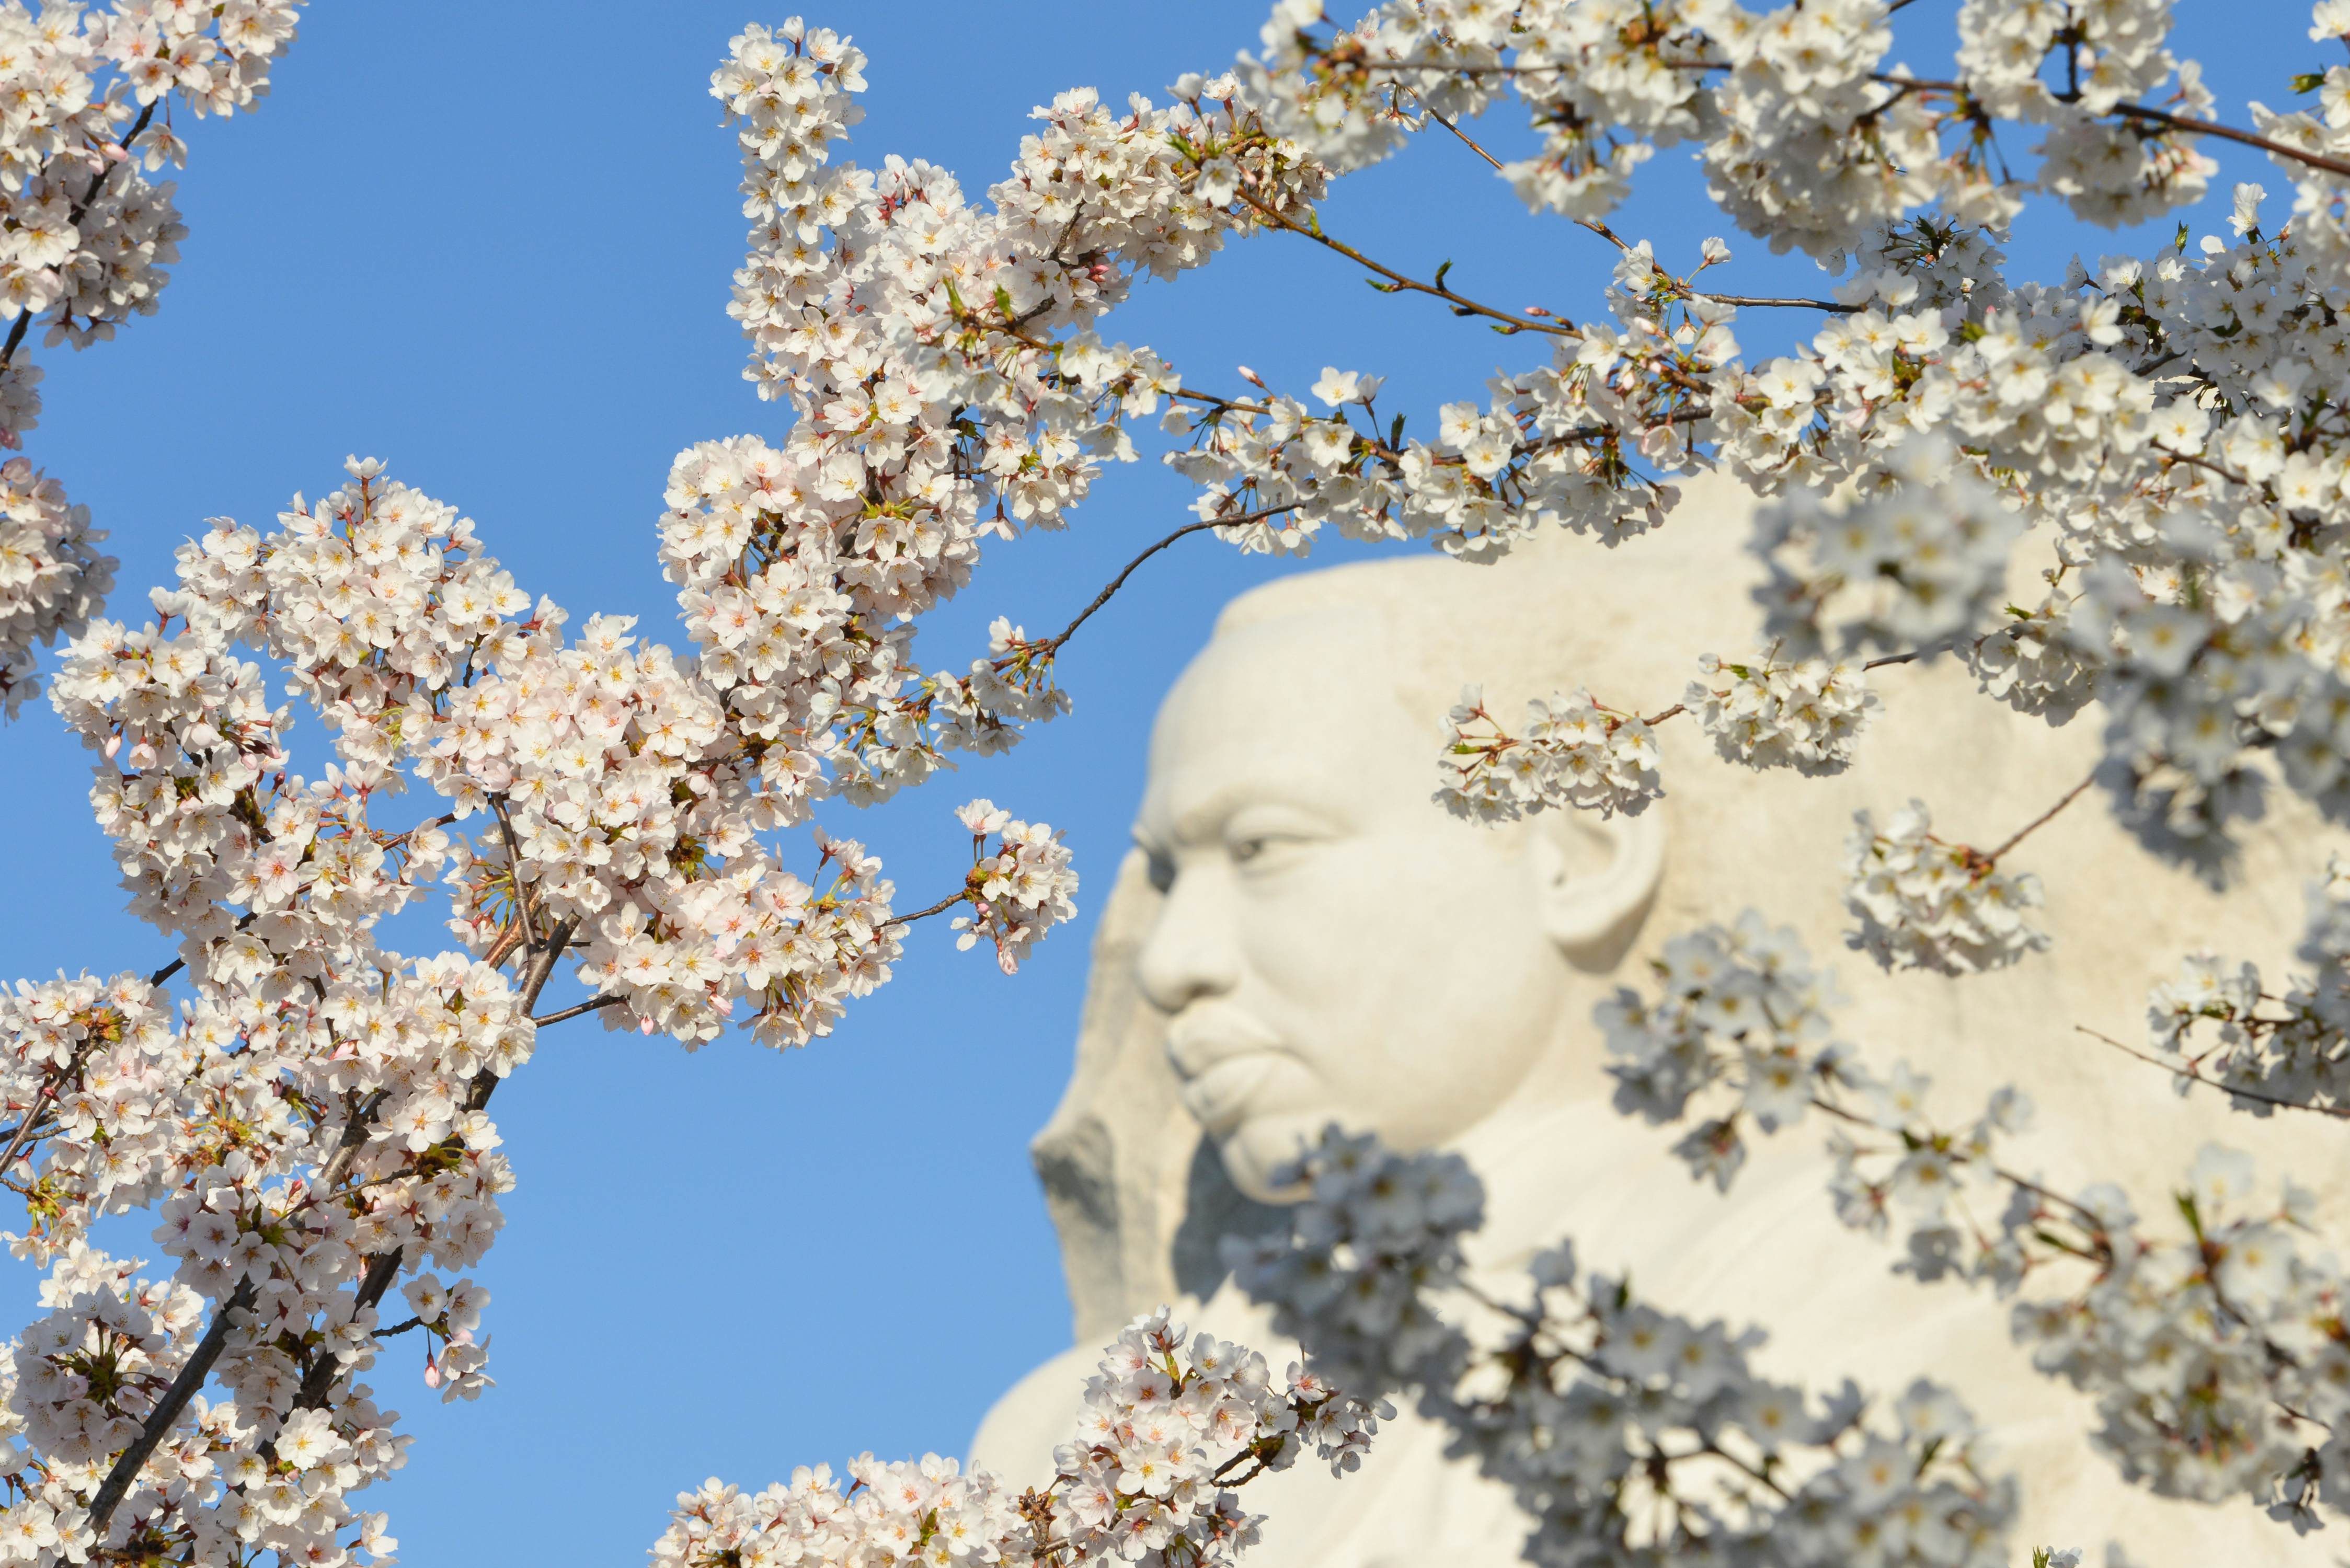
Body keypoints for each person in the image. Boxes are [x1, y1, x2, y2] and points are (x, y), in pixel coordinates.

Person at [972, 476, 2346, 1564]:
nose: (1179, 964)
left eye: (1264, 847)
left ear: (1574, 852)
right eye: (1166, 881)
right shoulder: (1057, 1441)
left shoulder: (1884, 1266)